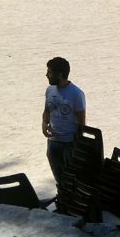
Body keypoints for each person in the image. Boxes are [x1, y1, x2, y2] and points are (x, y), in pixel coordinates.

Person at [42, 57, 86, 190]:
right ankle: (62, 199)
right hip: (53, 142)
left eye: (49, 72)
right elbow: (47, 111)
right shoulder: (50, 90)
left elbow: (82, 123)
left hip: (70, 144)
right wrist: (44, 124)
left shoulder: (76, 93)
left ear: (60, 74)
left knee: (73, 179)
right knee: (59, 179)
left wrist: (78, 144)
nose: (46, 75)